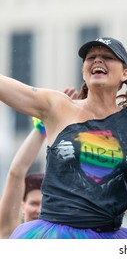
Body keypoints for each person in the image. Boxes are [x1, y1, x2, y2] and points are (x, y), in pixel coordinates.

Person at [0, 37, 127, 239]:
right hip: (55, 236)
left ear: (125, 73)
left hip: (110, 237)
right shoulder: (59, 106)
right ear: (84, 71)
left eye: (107, 57)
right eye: (91, 57)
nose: (97, 61)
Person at [0, 87, 78, 239]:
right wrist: (45, 124)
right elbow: (17, 172)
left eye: (46, 203)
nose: (40, 209)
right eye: (34, 203)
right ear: (22, 207)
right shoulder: (11, 232)